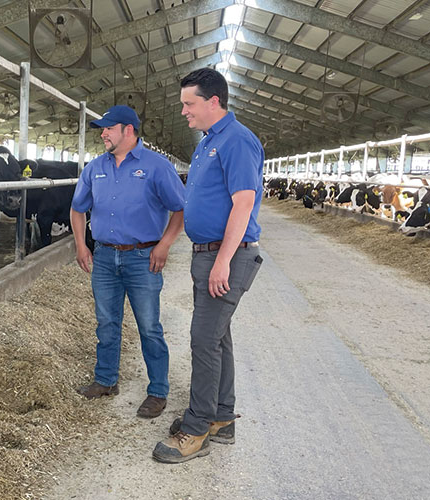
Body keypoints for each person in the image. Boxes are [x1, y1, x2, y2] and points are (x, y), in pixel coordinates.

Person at [152, 68, 264, 463]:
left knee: (203, 339)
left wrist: (224, 262)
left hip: (225, 255)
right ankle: (220, 416)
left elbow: (244, 202)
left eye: (189, 103)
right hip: (208, 253)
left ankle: (196, 429)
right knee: (218, 337)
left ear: (213, 101)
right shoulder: (208, 143)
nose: (184, 111)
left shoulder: (237, 141)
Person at [69, 104, 185, 419]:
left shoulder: (157, 166)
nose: (103, 133)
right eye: (102, 129)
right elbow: (77, 209)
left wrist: (164, 245)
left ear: (128, 130)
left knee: (149, 326)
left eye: (108, 128)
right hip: (105, 257)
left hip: (142, 258)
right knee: (107, 324)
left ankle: (158, 390)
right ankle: (106, 380)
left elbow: (180, 209)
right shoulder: (95, 167)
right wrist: (81, 245)